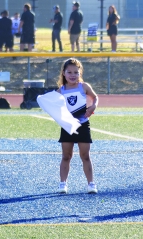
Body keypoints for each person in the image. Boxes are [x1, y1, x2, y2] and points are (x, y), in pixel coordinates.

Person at [55, 58, 98, 194]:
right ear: (64, 73)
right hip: (67, 126)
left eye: (76, 72)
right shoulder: (60, 91)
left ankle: (91, 184)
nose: (72, 75)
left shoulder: (84, 87)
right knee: (66, 156)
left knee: (85, 155)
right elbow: (53, 105)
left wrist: (92, 107)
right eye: (69, 72)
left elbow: (95, 98)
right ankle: (63, 184)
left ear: (80, 73)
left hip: (83, 125)